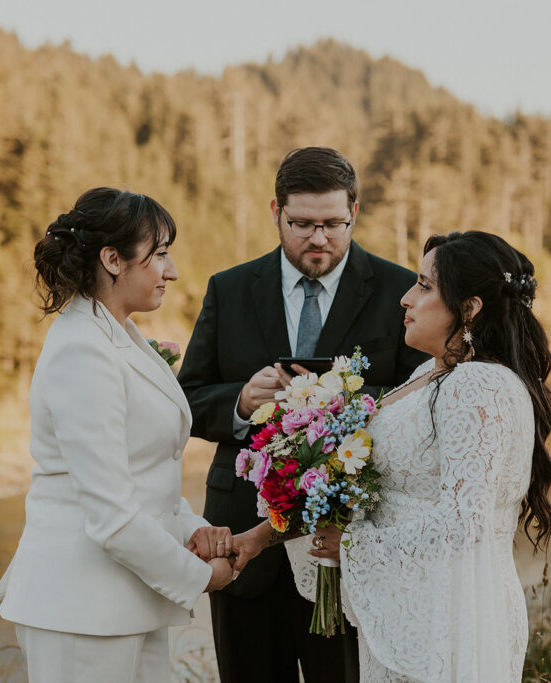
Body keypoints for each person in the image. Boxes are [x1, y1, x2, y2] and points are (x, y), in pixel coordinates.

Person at [178, 147, 427, 683]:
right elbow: (189, 398)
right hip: (242, 534)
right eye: (302, 224)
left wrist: (338, 403)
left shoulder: (399, 290)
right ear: (276, 212)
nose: (318, 239)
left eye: (333, 224)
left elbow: (422, 394)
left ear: (354, 212)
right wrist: (242, 402)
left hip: (347, 542)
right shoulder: (229, 287)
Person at [0, 188, 235, 683]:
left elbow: (142, 473)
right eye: (160, 254)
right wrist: (199, 576)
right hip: (81, 612)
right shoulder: (83, 350)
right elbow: (111, 515)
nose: (173, 271)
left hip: (124, 603)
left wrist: (191, 528)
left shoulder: (119, 334)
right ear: (112, 259)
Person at [304, 230, 551, 681]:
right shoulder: (432, 372)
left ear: (469, 308)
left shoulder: (477, 386)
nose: (405, 298)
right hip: (411, 608)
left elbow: (464, 522)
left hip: (451, 620)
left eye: (424, 286)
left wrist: (354, 546)